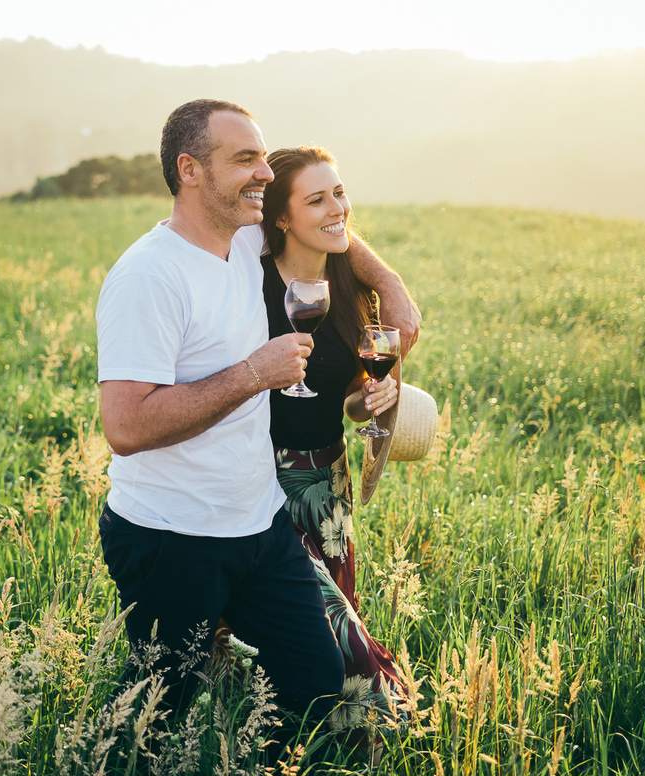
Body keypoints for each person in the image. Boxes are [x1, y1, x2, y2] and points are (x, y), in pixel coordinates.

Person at [95, 99, 419, 731]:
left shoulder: (244, 239)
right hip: (173, 537)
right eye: (245, 159)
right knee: (160, 713)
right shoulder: (148, 277)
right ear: (190, 170)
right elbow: (126, 427)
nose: (265, 174)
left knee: (317, 682)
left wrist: (394, 287)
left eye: (264, 159)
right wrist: (253, 375)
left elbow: (336, 235)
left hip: (260, 524)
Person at [259, 145, 410, 734]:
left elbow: (347, 393)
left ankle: (318, 734)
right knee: (326, 623)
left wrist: (369, 400)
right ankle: (386, 719)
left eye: (339, 193)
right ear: (280, 217)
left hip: (330, 481)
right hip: (264, 477)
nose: (335, 208)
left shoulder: (350, 286)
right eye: (316, 199)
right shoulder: (251, 282)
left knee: (326, 615)